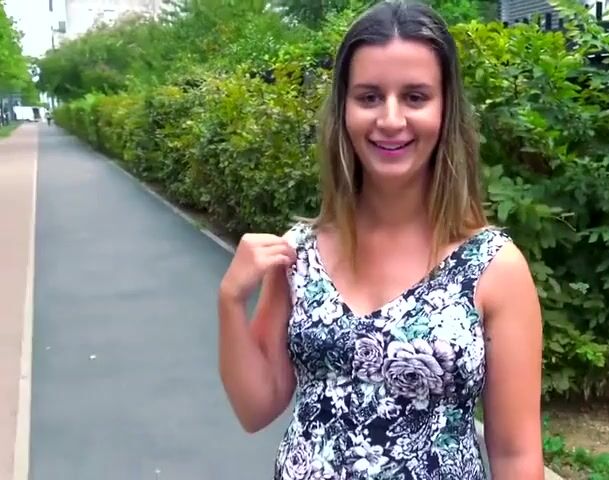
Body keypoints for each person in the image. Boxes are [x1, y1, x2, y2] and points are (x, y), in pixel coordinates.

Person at [217, 1, 544, 478]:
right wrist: (230, 301)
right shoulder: (299, 256)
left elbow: (516, 453)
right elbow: (256, 408)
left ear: (445, 109)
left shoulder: (494, 268)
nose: (390, 119)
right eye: (369, 97)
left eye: (415, 97)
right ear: (344, 110)